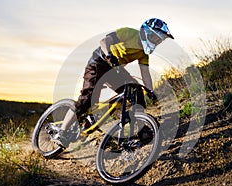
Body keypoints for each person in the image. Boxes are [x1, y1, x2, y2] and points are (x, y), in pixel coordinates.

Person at [53, 18, 174, 148]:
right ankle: (62, 131)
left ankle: (142, 129)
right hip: (98, 63)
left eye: (159, 40)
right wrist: (109, 54)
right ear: (147, 33)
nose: (157, 42)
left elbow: (145, 73)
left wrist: (150, 90)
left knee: (136, 91)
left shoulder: (143, 53)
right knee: (87, 98)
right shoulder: (129, 33)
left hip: (115, 69)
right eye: (156, 38)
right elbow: (104, 41)